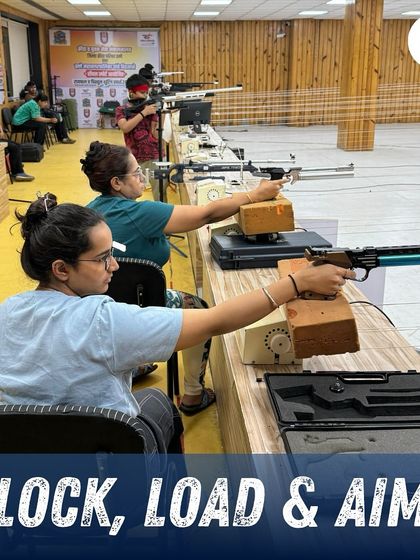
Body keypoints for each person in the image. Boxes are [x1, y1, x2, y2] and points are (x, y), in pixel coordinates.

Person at [0, 194, 352, 451]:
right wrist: (298, 283)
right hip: (103, 478)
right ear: (61, 269)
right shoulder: (103, 322)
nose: (115, 267)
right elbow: (215, 321)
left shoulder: (8, 311)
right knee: (157, 402)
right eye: (102, 258)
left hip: (26, 476)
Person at [82, 141, 350, 416]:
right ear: (116, 182)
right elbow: (206, 215)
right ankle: (193, 394)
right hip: (144, 309)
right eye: (136, 173)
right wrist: (253, 195)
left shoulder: (88, 213)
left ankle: (135, 362)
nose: (142, 178)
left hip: (103, 312)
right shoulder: (141, 213)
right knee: (198, 308)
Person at [115, 74, 163, 202]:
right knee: (130, 194)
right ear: (131, 91)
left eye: (146, 92)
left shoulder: (149, 107)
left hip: (154, 155)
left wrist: (160, 118)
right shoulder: (121, 110)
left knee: (160, 193)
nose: (144, 95)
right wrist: (144, 113)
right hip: (134, 157)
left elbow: (154, 133)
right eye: (142, 92)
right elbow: (125, 127)